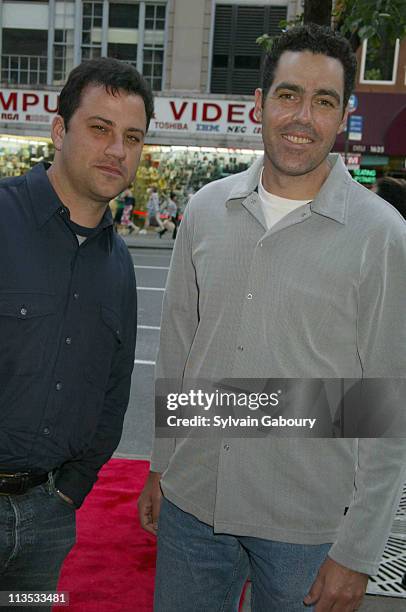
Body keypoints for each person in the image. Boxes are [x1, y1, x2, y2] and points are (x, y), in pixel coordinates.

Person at [138, 25, 406, 611]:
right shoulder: (205, 210)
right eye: (288, 95)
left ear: (343, 116)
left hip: (306, 530)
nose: (302, 116)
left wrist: (358, 551)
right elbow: (178, 348)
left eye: (324, 101)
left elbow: (388, 400)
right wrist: (162, 465)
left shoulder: (382, 236)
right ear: (259, 105)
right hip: (193, 507)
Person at [0, 56, 153, 602]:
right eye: (100, 128)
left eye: (132, 137)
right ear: (60, 130)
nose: (117, 150)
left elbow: (114, 394)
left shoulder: (120, 266)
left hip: (49, 523)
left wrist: (69, 492)